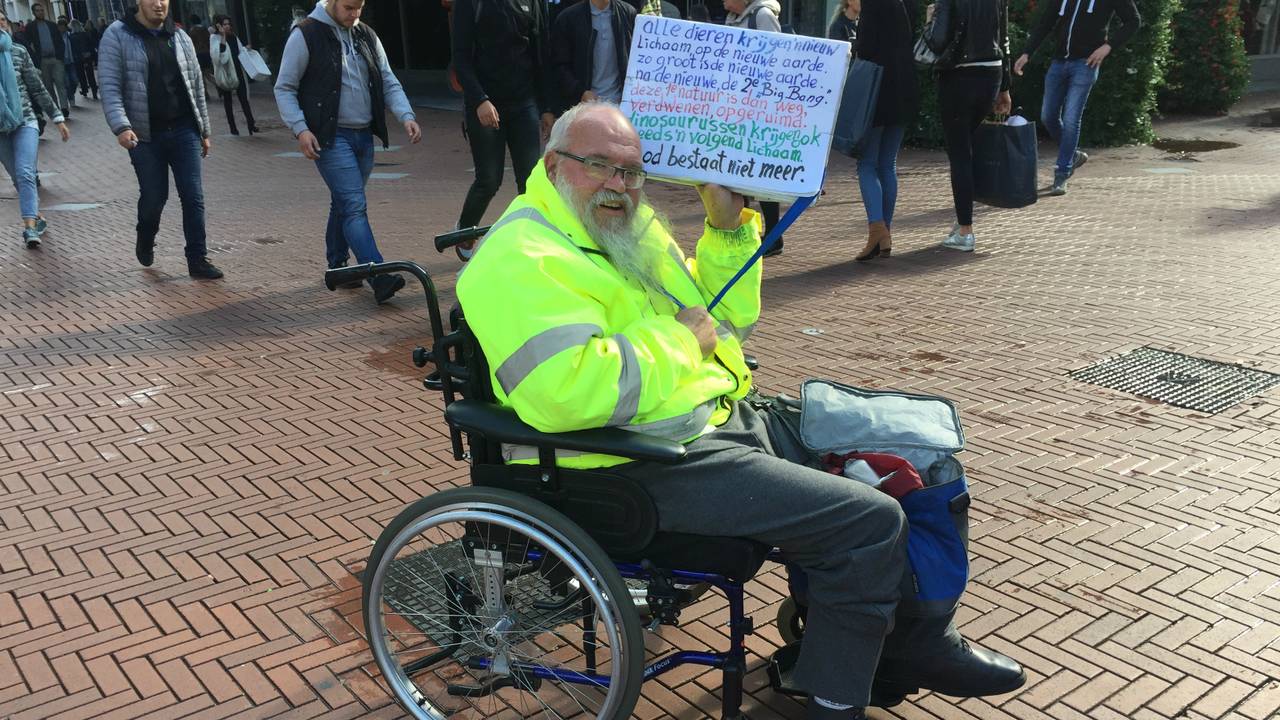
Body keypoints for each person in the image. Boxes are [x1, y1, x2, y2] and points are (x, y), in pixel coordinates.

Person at [455, 102, 1026, 720]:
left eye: (632, 171)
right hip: (632, 461)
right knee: (868, 519)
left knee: (920, 449)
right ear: (553, 165)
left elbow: (722, 320)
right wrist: (682, 342)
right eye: (599, 166)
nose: (619, 184)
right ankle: (836, 699)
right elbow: (566, 392)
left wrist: (726, 229)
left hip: (717, 416)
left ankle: (914, 642)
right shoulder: (522, 255)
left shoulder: (626, 228)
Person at [274, 0, 422, 304]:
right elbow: (284, 87)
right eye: (349, 7)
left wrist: (406, 115)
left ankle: (338, 265)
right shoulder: (306, 34)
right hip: (330, 137)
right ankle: (378, 274)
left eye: (360, 8)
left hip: (363, 135)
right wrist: (301, 129)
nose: (355, 15)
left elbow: (387, 79)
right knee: (354, 206)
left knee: (344, 201)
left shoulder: (366, 34)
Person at [99, 0, 224, 279]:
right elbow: (110, 86)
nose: (159, 4)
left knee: (193, 196)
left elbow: (196, 86)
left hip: (183, 129)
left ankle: (197, 259)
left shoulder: (179, 36)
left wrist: (204, 130)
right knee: (155, 197)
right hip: (144, 135)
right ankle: (145, 235)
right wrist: (121, 127)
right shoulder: (117, 35)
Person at [450, 0, 556, 261]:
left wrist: (546, 107)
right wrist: (479, 100)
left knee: (530, 179)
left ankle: (530, 240)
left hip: (523, 102)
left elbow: (539, 55)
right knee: (489, 179)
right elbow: (460, 59)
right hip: (485, 103)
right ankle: (465, 230)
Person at [1014, 0, 1140, 195]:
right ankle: (1072, 156)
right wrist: (1027, 53)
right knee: (1048, 116)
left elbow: (1133, 20)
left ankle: (1062, 173)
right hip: (1059, 62)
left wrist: (1107, 47)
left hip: (1086, 64)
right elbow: (1046, 22)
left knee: (1071, 119)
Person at [926, 0, 1012, 252]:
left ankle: (965, 230)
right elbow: (1004, 39)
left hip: (959, 75)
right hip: (991, 73)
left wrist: (930, 20)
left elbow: (937, 42)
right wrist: (1005, 87)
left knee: (960, 153)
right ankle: (963, 221)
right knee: (968, 149)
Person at [852, 0, 916, 262]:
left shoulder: (872, 3)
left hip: (877, 90)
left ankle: (877, 230)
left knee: (866, 164)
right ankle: (885, 232)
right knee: (888, 164)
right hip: (904, 85)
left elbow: (866, 48)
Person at [0, 9, 69, 248]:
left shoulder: (18, 52)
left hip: (25, 120)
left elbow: (37, 88)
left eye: (2, 20)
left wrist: (57, 117)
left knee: (25, 173)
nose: (1, 25)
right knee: (17, 177)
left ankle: (29, 227)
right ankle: (36, 215)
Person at [724, 0, 785, 255]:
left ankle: (773, 235)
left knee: (761, 173)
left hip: (759, 111)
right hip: (736, 109)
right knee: (738, 172)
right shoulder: (732, 18)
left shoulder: (762, 16)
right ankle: (747, 232)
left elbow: (777, 60)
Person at [551, 0, 636, 110]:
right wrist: (580, 92)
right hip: (584, 106)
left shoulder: (629, 13)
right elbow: (559, 65)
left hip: (622, 105)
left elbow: (640, 59)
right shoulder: (568, 18)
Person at [210, 15, 257, 135]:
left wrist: (246, 49)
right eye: (224, 24)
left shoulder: (234, 37)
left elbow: (240, 51)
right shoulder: (215, 38)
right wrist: (223, 37)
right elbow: (220, 57)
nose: (227, 26)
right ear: (218, 25)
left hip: (238, 71)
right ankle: (233, 128)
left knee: (244, 99)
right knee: (228, 101)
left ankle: (251, 124)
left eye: (228, 24)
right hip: (225, 73)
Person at [24, 4, 70, 118]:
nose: (41, 12)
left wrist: (60, 56)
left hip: (56, 59)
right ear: (33, 12)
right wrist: (35, 59)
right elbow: (28, 44)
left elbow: (60, 41)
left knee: (60, 83)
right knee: (48, 86)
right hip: (42, 61)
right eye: (38, 11)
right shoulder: (30, 27)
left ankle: (64, 107)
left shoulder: (52, 25)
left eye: (42, 10)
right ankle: (55, 108)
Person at [68, 20, 97, 100]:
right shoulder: (86, 34)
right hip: (87, 56)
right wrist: (93, 57)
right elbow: (92, 45)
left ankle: (84, 90)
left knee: (81, 75)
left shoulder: (71, 37)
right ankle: (94, 91)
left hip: (77, 58)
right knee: (90, 75)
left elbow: (72, 49)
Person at [187, 15, 213, 100]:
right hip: (206, 53)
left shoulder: (192, 31)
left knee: (201, 75)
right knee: (208, 74)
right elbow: (209, 40)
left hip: (198, 54)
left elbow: (191, 44)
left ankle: (206, 94)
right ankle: (220, 87)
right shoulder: (205, 29)